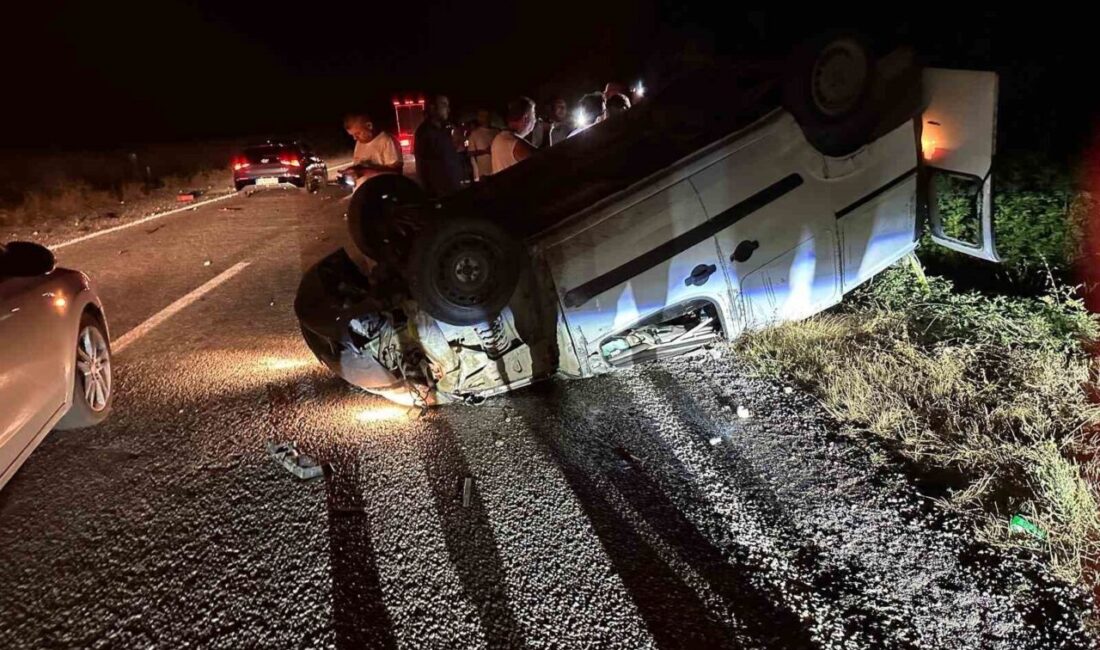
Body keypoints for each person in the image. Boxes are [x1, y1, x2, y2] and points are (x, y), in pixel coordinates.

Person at [414, 94, 467, 197]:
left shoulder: (444, 130)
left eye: (448, 105)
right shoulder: (425, 132)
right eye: (444, 105)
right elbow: (424, 167)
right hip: (441, 195)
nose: (448, 109)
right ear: (433, 108)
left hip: (453, 190)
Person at [344, 112, 403, 187]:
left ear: (369, 126)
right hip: (363, 193)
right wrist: (352, 172)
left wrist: (363, 172)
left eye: (357, 133)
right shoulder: (360, 143)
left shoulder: (387, 140)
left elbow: (396, 172)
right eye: (352, 135)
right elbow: (359, 167)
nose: (355, 138)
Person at [490, 97, 537, 174]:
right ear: (525, 118)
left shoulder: (499, 138)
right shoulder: (514, 144)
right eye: (534, 115)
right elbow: (545, 162)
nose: (535, 121)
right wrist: (547, 132)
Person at [467, 108, 499, 180]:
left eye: (486, 115)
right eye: (481, 115)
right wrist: (485, 151)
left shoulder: (496, 131)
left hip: (498, 169)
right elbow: (470, 153)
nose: (485, 118)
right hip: (484, 173)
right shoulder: (474, 134)